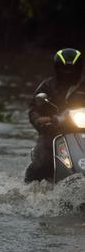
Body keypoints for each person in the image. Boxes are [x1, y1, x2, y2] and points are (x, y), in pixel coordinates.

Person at [24, 48, 83, 183]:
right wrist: (39, 120)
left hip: (82, 131)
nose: (68, 72)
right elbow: (34, 108)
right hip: (54, 131)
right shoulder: (47, 85)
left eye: (72, 68)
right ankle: (28, 190)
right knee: (43, 162)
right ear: (57, 68)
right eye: (64, 68)